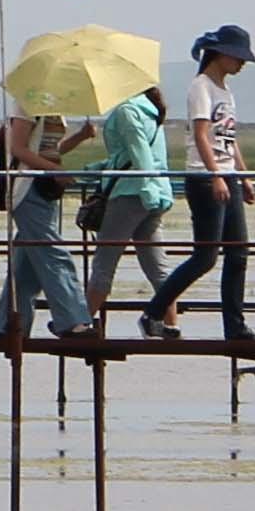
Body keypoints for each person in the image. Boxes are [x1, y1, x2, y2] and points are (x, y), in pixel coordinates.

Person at [143, 27, 255, 342]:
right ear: (220, 53)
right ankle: (153, 312)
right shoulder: (201, 87)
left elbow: (229, 138)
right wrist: (215, 175)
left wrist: (243, 175)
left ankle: (235, 326)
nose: (242, 64)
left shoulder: (225, 91)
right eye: (238, 57)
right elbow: (201, 135)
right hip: (205, 179)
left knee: (239, 252)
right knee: (206, 256)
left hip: (227, 176)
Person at [80, 76, 175, 325]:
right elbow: (132, 156)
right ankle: (171, 328)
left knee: (104, 263)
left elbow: (139, 152)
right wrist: (98, 168)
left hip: (131, 193)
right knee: (157, 268)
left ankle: (81, 323)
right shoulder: (152, 112)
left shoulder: (127, 111)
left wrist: (146, 188)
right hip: (155, 194)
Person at [0, 115, 90, 340]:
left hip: (45, 191)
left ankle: (8, 325)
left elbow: (48, 151)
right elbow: (18, 149)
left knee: (27, 267)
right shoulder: (28, 106)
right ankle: (72, 322)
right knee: (54, 254)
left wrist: (80, 137)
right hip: (26, 189)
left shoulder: (54, 109)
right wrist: (55, 170)